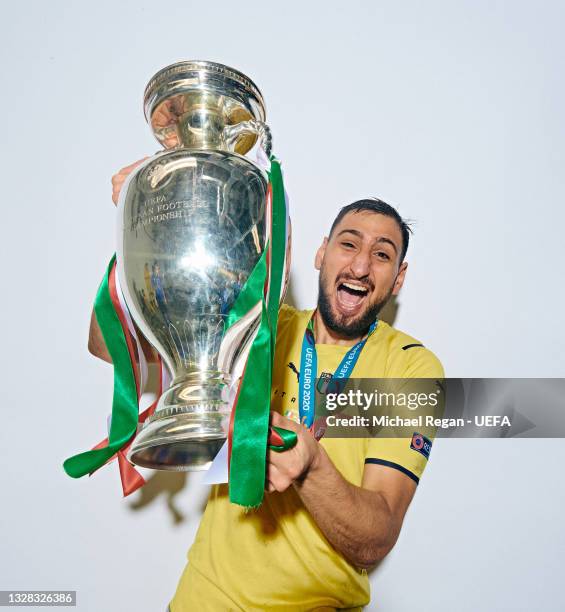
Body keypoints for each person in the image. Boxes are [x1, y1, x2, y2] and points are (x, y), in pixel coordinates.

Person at [90, 161, 444, 611]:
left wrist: (313, 467)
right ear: (321, 253)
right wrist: (148, 224)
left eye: (382, 254)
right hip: (204, 599)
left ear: (399, 277)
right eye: (348, 244)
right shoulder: (257, 327)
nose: (359, 264)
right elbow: (109, 345)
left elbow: (376, 538)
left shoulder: (411, 368)